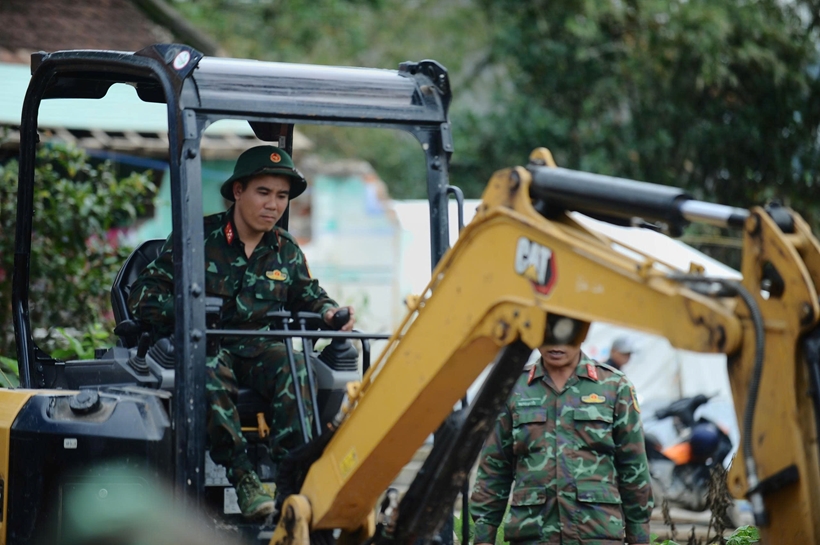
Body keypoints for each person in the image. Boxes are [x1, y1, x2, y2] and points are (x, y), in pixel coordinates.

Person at [128, 145, 354, 520]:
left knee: (296, 365)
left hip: (261, 348)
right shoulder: (196, 239)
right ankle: (244, 478)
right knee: (208, 368)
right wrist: (189, 312)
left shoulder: (285, 249)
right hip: (206, 345)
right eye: (263, 192)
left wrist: (330, 312)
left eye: (281, 196)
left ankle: (294, 479)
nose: (273, 205)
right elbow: (143, 297)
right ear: (238, 191)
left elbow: (309, 294)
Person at [470, 315, 653, 545]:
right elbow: (495, 467)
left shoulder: (614, 386)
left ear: (582, 334)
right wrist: (483, 537)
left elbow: (633, 466)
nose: (556, 345)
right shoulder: (514, 388)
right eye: (548, 335)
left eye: (565, 335)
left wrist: (639, 536)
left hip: (595, 533)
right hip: (533, 535)